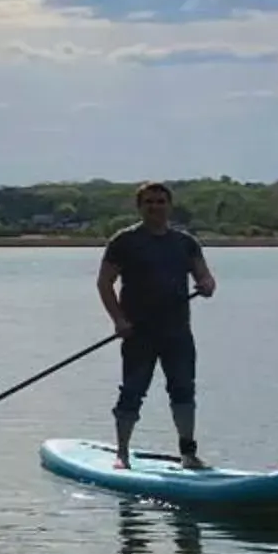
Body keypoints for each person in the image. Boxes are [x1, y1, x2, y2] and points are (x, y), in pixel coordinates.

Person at [97, 181, 216, 470]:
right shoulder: (124, 241)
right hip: (138, 333)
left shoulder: (185, 243)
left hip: (177, 333)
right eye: (149, 202)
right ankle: (122, 454)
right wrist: (119, 321)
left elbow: (207, 280)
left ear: (169, 205)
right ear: (140, 207)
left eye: (160, 201)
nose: (155, 207)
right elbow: (104, 283)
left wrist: (205, 285)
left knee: (183, 390)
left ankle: (188, 453)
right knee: (132, 391)